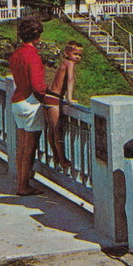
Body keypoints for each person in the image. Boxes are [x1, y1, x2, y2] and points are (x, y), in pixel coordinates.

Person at [9, 16, 48, 196]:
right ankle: (23, 186)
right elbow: (38, 86)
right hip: (30, 103)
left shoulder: (16, 54)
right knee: (29, 148)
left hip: (17, 101)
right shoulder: (32, 56)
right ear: (37, 36)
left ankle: (20, 181)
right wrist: (52, 98)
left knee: (21, 146)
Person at [43, 41, 83, 172]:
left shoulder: (63, 64)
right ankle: (62, 159)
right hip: (54, 99)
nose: (78, 57)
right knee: (57, 131)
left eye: (80, 55)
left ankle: (56, 156)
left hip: (48, 97)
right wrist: (69, 98)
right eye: (75, 54)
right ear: (67, 53)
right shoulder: (69, 64)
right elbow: (70, 79)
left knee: (51, 130)